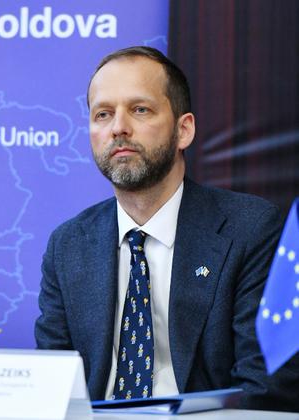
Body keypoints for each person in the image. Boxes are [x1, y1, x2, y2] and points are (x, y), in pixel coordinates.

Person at [35, 46, 298, 411]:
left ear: (183, 130)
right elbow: (52, 388)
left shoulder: (250, 228)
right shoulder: (68, 245)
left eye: (140, 109)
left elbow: (263, 384)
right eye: (103, 114)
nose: (118, 127)